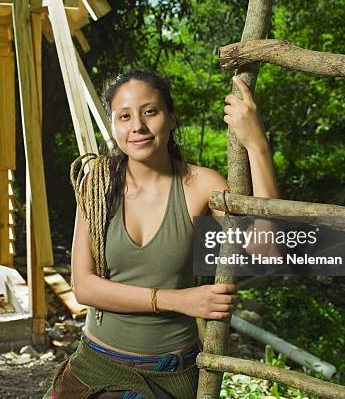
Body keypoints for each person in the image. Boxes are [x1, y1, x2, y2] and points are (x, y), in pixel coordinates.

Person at [44, 70, 279, 399]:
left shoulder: (200, 186)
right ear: (114, 126)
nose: (137, 126)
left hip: (170, 374)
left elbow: (266, 251)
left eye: (150, 112)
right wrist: (177, 300)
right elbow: (84, 287)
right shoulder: (97, 183)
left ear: (171, 118)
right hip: (95, 366)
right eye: (124, 116)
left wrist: (257, 145)